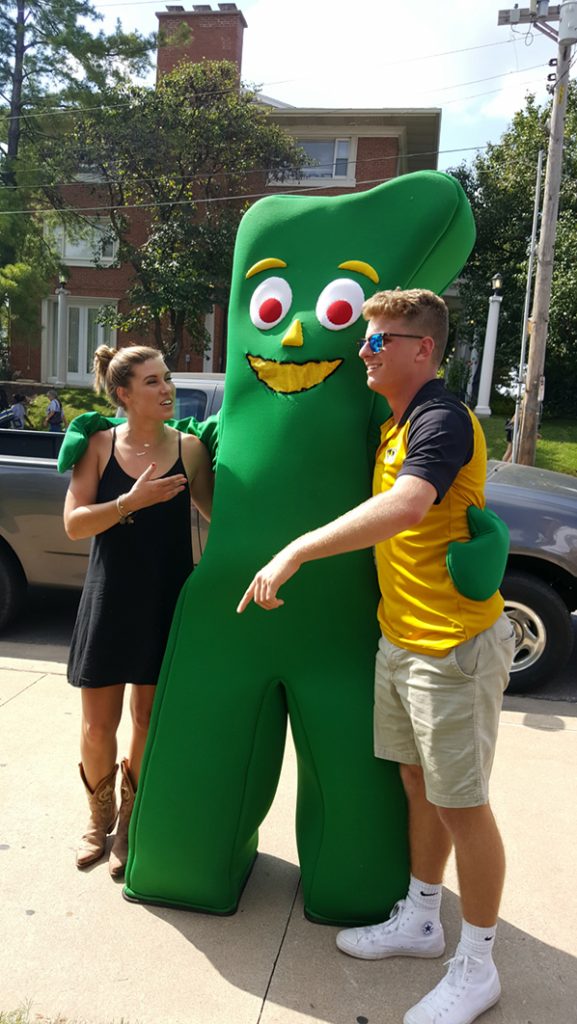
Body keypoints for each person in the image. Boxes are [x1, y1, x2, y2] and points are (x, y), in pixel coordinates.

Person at [237, 289, 515, 1024]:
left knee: (463, 807)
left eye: (376, 342)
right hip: (401, 640)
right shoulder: (393, 424)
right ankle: (422, 920)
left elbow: (407, 506)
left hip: (451, 648)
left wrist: (296, 550)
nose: (362, 352)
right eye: (364, 342)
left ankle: (477, 965)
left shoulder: (439, 418)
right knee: (417, 787)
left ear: (421, 349)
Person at [64, 344, 213, 879]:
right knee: (97, 726)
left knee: (148, 719)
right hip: (108, 601)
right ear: (123, 394)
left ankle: (131, 819)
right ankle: (96, 820)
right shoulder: (98, 447)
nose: (166, 388)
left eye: (167, 377)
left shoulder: (190, 449)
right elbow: (75, 524)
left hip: (164, 602)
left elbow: (220, 516)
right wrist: (132, 501)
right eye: (152, 381)